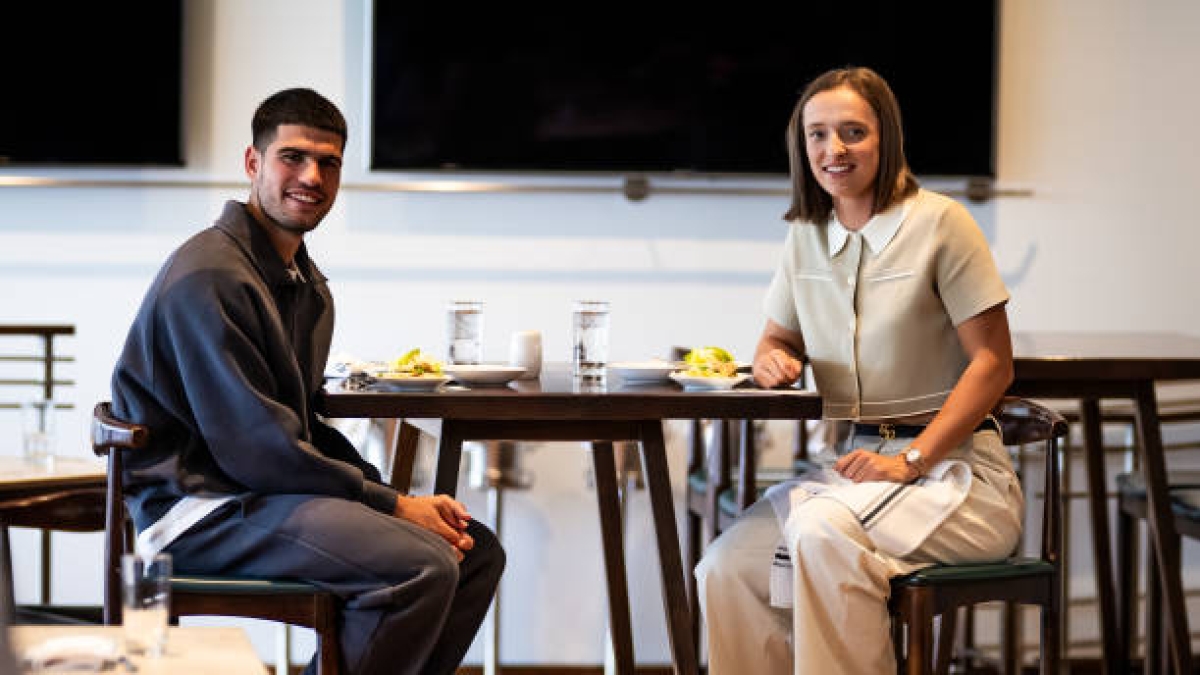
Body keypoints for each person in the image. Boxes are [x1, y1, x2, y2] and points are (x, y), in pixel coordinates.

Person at [110, 88, 504, 675]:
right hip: (199, 508)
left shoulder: (302, 282)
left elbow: (299, 428)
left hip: (260, 492)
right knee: (421, 565)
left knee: (474, 552)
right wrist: (392, 503)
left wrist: (400, 503)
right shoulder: (212, 274)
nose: (311, 176)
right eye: (292, 157)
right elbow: (257, 448)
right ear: (253, 163)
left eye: (329, 162)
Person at [694, 67, 1023, 674]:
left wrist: (913, 458)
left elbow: (993, 364)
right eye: (817, 135)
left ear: (885, 138)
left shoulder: (941, 223)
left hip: (957, 478)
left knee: (821, 533)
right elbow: (777, 333)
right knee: (726, 569)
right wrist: (773, 358)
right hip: (854, 469)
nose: (833, 149)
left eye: (852, 132)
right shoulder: (805, 237)